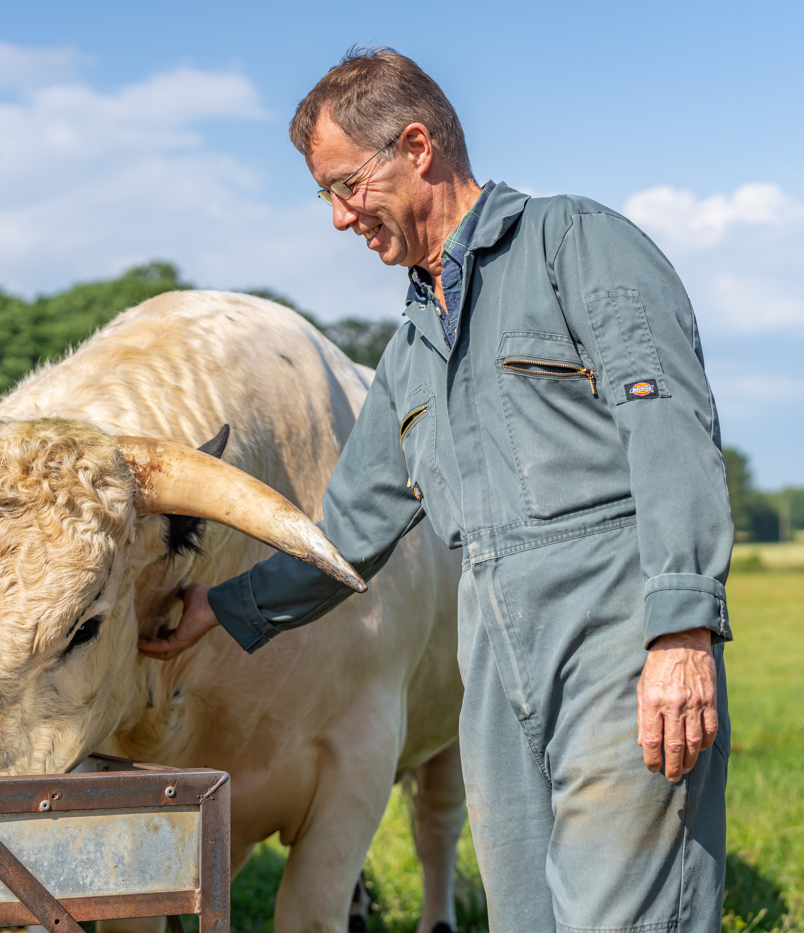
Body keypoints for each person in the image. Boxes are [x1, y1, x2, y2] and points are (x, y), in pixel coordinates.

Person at [139, 47, 734, 933]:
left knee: (624, 913)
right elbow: (346, 535)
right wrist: (218, 610)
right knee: (524, 915)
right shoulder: (413, 348)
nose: (339, 219)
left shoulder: (576, 244)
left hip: (617, 636)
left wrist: (680, 631)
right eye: (325, 197)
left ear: (416, 146)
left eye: (346, 186)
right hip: (489, 663)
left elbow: (671, 434)